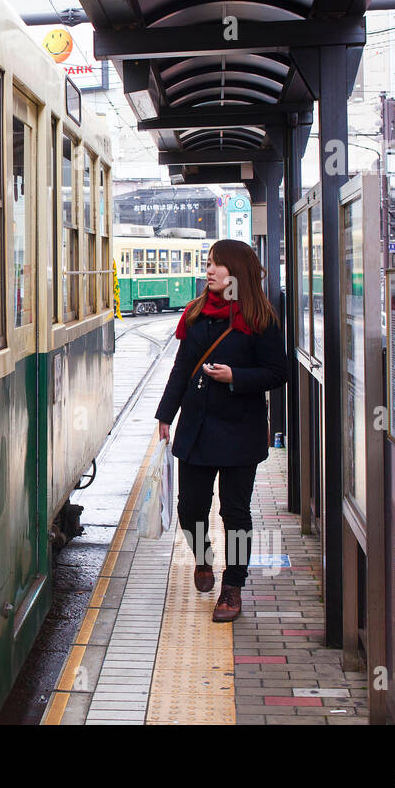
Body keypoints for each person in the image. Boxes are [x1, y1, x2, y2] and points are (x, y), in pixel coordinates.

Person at [154, 239, 288, 622]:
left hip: (239, 431)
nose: (209, 270)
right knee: (190, 508)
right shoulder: (196, 313)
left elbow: (278, 373)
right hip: (196, 427)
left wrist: (236, 377)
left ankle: (233, 586)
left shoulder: (261, 317)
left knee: (236, 511)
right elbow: (182, 368)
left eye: (216, 265)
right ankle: (203, 558)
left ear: (237, 271)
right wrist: (166, 415)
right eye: (208, 263)